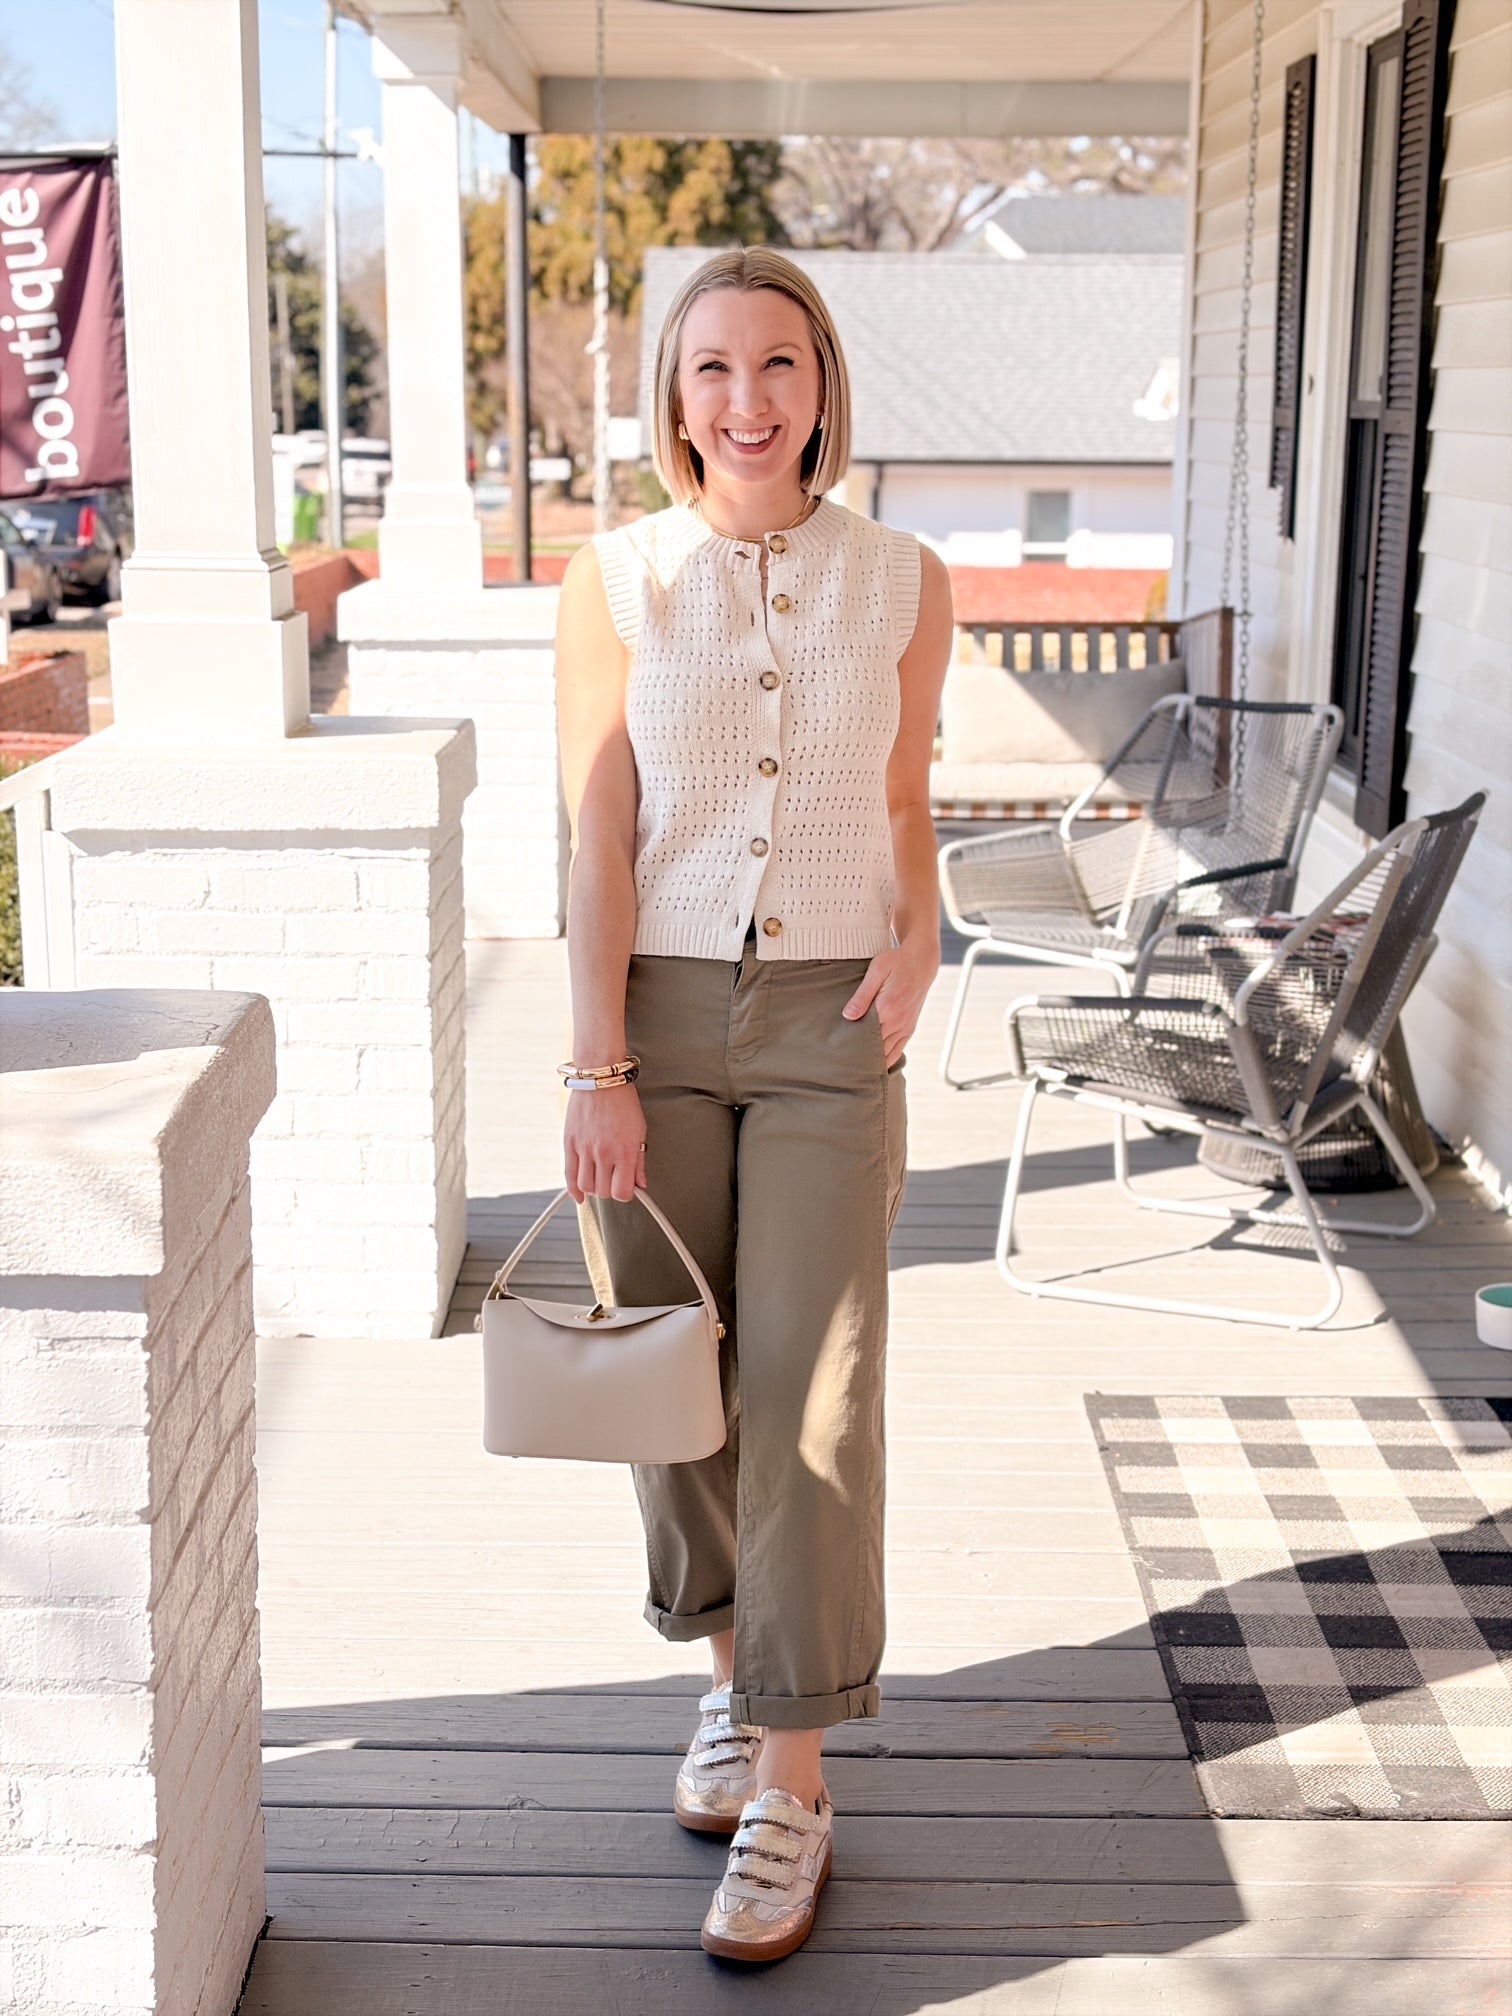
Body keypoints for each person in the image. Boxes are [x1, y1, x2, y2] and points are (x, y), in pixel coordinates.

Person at [553, 246, 952, 1963]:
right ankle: (731, 1679)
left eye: (777, 362)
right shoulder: (618, 579)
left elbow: (905, 794)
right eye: (711, 367)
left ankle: (794, 1779)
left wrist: (926, 933)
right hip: (648, 1017)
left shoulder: (908, 579)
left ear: (821, 382)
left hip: (825, 1020)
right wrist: (594, 1065)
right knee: (673, 1381)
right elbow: (592, 833)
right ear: (674, 395)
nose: (747, 399)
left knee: (814, 1394)